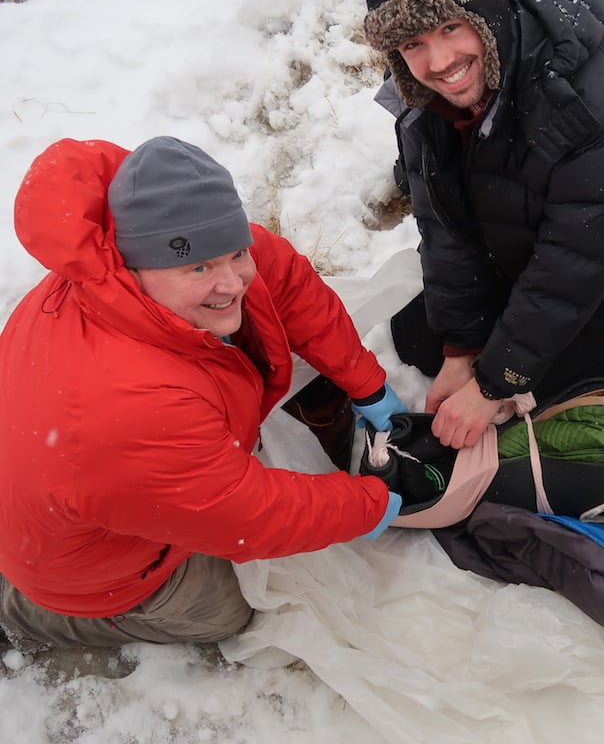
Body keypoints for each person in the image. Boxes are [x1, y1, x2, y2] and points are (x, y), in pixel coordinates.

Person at [0, 136, 411, 650]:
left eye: (236, 253)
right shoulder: (128, 406)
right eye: (199, 268)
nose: (232, 282)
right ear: (135, 267)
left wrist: (367, 384)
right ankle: (28, 614)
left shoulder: (145, 259)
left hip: (67, 484)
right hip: (77, 568)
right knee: (223, 612)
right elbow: (250, 516)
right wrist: (372, 505)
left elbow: (285, 279)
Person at [360, 0, 604, 450]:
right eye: (413, 43)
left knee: (549, 408)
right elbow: (444, 219)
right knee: (422, 343)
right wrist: (461, 348)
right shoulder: (424, 92)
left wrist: (495, 383)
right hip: (518, 201)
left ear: (484, 12)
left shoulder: (600, 101)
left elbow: (577, 263)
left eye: (451, 28)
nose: (440, 62)